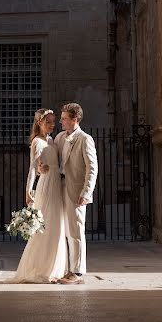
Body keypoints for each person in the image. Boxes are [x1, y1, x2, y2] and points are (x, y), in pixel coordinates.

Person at [39, 103, 98, 285]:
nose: (61, 121)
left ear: (75, 119)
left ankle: (77, 272)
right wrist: (44, 167)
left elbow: (92, 168)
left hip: (76, 190)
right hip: (59, 187)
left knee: (75, 230)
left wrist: (86, 192)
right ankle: (66, 268)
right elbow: (54, 159)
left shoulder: (85, 139)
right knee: (62, 229)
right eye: (62, 118)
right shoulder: (59, 138)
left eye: (64, 118)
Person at [9, 108, 66, 283]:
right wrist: (28, 191)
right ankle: (40, 269)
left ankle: (54, 269)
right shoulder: (37, 142)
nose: (51, 125)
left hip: (57, 185)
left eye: (53, 121)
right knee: (45, 228)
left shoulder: (53, 141)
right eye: (47, 122)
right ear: (39, 123)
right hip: (46, 187)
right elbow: (33, 169)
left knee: (57, 227)